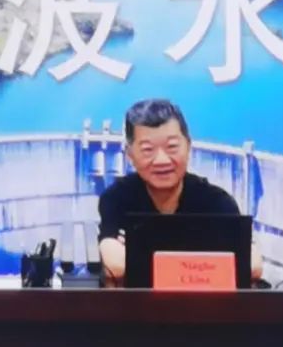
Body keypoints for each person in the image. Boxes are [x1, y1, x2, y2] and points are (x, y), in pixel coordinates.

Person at [97, 98, 264, 286]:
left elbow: (253, 266)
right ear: (130, 155)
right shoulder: (117, 198)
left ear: (188, 146)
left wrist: (139, 256)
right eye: (147, 150)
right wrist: (202, 260)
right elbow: (116, 265)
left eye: (172, 147)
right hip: (137, 303)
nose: (161, 160)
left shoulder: (217, 202)